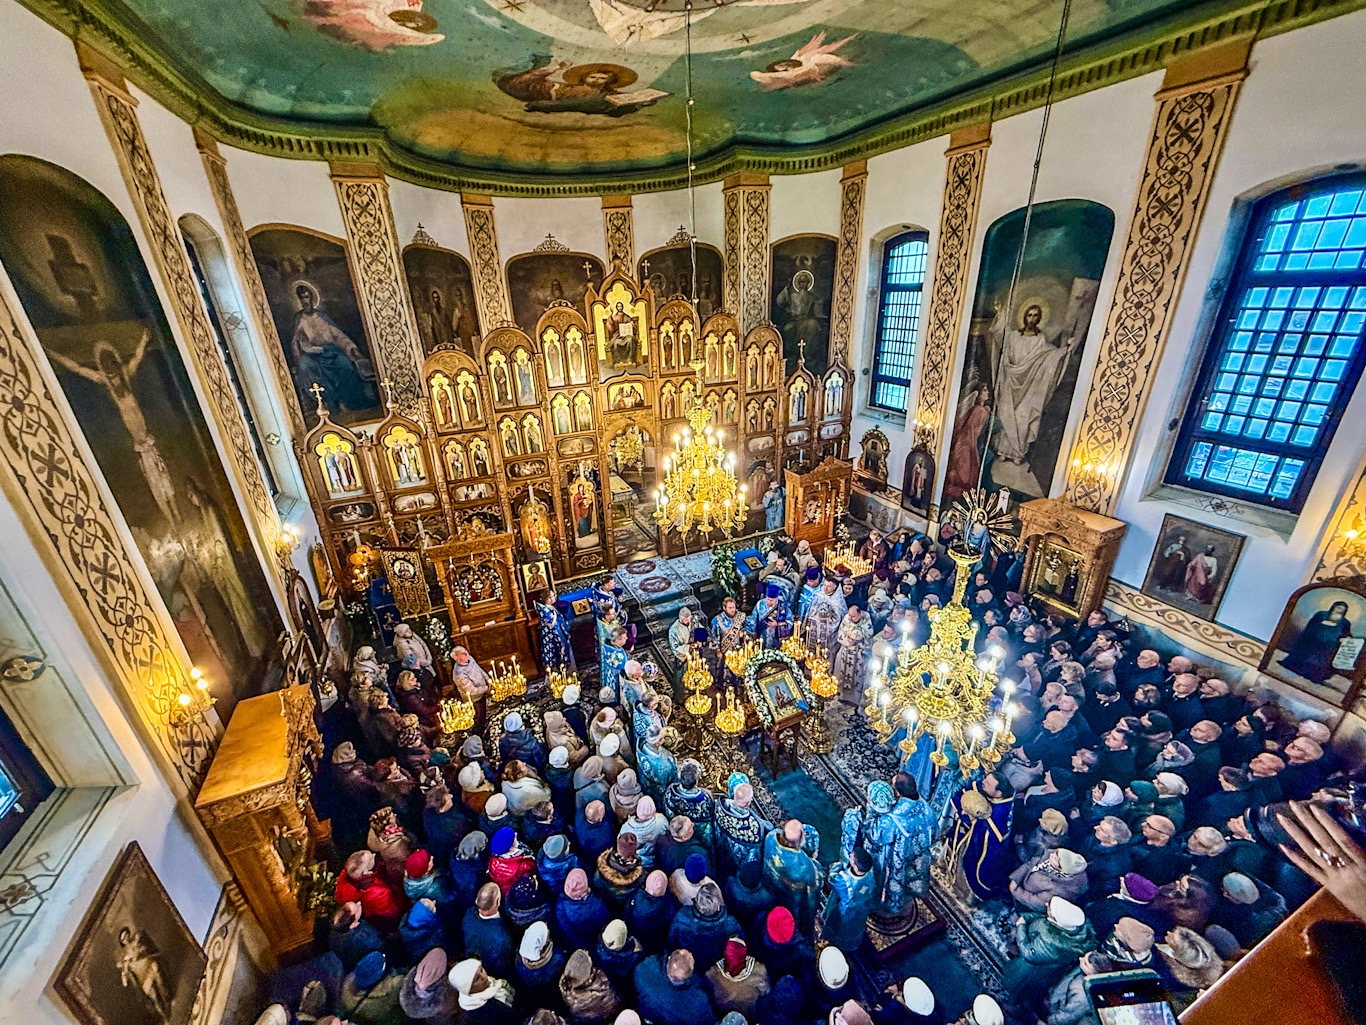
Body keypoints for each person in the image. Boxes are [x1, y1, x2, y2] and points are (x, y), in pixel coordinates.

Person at [949, 773, 1015, 900]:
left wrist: (971, 820)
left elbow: (989, 840)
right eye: (986, 779)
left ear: (999, 793)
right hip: (967, 832)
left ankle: (964, 891)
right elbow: (970, 789)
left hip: (976, 847)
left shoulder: (999, 815)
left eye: (988, 783)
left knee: (968, 866)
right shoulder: (987, 789)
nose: (983, 782)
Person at [762, 819, 823, 928]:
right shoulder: (809, 867)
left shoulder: (771, 837)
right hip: (792, 904)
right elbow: (811, 901)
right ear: (801, 839)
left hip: (768, 891)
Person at [634, 949, 715, 1025]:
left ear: (669, 958)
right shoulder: (698, 1004)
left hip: (643, 1014)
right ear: (691, 973)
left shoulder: (645, 968)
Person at [821, 846, 879, 951]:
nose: (850, 856)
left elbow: (832, 879)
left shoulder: (844, 880)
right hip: (861, 909)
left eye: (852, 858)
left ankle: (835, 942)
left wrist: (835, 868)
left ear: (856, 867)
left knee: (839, 927)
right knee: (854, 927)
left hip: (845, 911)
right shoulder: (869, 873)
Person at [706, 936, 771, 1018]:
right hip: (750, 1016)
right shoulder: (759, 971)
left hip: (723, 1017)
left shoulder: (713, 974)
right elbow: (766, 993)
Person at [448, 958, 517, 1025]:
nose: (484, 976)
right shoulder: (480, 1013)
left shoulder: (493, 978)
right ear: (468, 989)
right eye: (477, 978)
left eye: (481, 970)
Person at [536, 592, 576, 674]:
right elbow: (551, 622)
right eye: (550, 597)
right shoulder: (544, 610)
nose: (553, 598)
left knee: (564, 650)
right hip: (552, 636)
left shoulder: (552, 607)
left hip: (559, 632)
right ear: (546, 599)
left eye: (553, 595)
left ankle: (567, 672)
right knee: (555, 654)